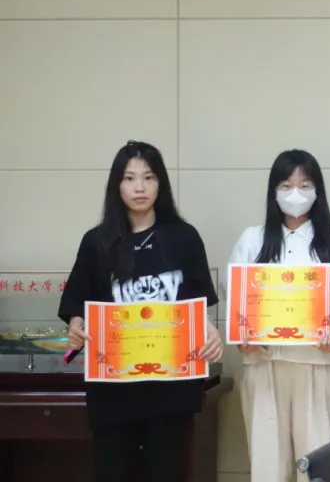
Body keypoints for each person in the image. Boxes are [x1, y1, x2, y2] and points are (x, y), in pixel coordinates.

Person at [58, 141, 224, 482]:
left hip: (170, 389)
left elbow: (196, 308)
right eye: (130, 178)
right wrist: (76, 328)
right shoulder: (97, 242)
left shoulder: (184, 238)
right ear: (117, 186)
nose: (139, 187)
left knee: (167, 472)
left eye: (148, 177)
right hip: (113, 391)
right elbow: (77, 305)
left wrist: (211, 334)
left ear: (160, 183)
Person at [229, 149, 330, 482]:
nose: (295, 194)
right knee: (267, 464)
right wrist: (242, 338)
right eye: (286, 185)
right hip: (264, 364)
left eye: (305, 186)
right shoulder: (252, 239)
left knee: (318, 463)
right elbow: (237, 304)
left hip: (319, 363)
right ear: (273, 191)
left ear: (318, 191)